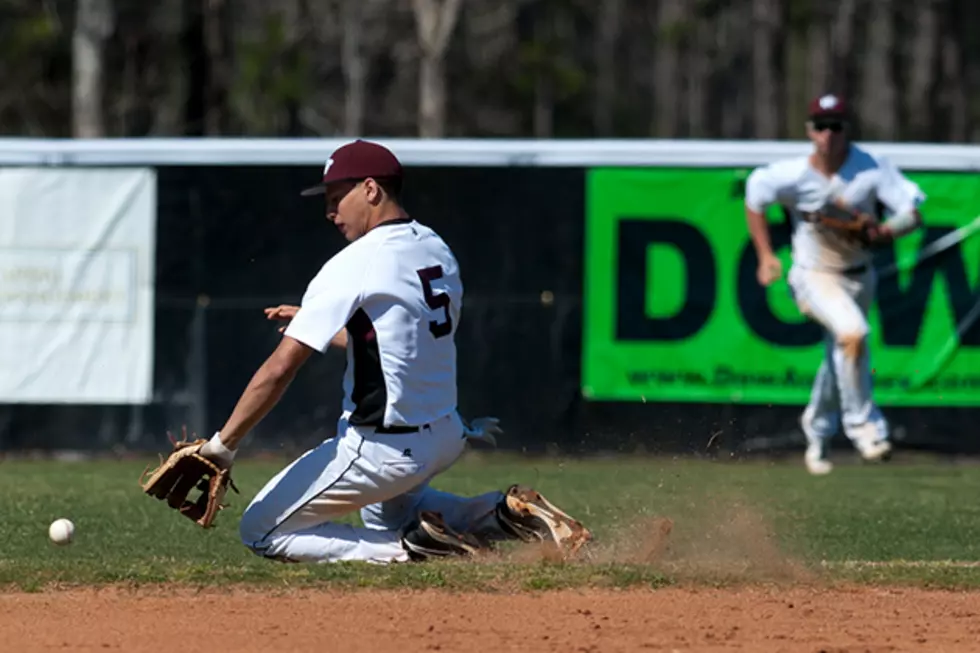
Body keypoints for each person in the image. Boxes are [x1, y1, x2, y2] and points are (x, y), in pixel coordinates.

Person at [192, 139, 591, 562]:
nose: (331, 212)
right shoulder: (435, 247)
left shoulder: (355, 261)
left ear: (370, 190)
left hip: (382, 449)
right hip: (445, 435)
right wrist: (319, 328)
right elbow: (399, 342)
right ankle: (502, 513)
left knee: (260, 529)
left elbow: (279, 369)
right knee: (386, 516)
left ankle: (413, 548)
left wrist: (223, 445)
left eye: (336, 198)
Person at [743, 95, 926, 475]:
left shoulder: (871, 168)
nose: (828, 133)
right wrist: (765, 255)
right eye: (821, 125)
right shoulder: (792, 175)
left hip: (861, 276)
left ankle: (817, 428)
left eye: (835, 125)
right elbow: (755, 194)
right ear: (810, 131)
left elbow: (912, 212)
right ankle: (866, 429)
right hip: (812, 276)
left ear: (847, 130)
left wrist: (887, 231)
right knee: (854, 334)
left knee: (841, 350)